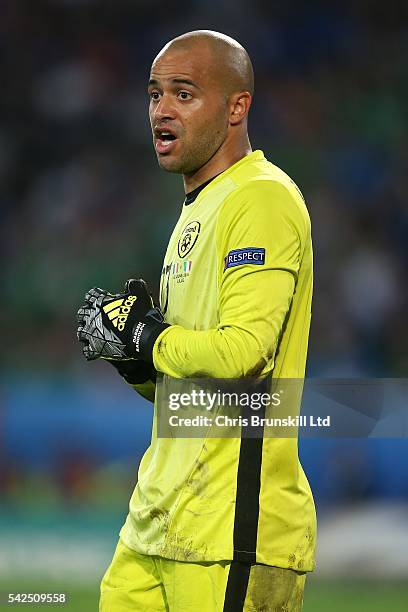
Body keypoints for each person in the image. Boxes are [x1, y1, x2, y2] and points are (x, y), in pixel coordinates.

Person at [77, 29, 316, 612]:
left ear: (237, 107)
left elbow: (242, 356)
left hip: (231, 533)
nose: (161, 109)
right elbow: (189, 397)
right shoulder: (197, 208)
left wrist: (150, 337)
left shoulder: (261, 198)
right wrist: (132, 358)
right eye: (154, 93)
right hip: (155, 524)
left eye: (184, 94)